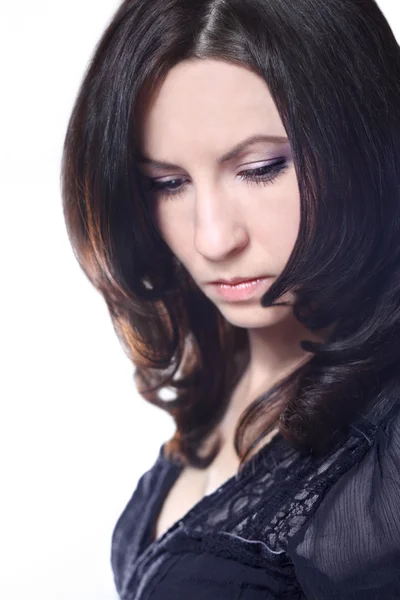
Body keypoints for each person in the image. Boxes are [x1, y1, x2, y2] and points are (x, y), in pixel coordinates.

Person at [61, 0, 400, 598]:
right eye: (167, 183)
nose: (212, 239)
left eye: (262, 168)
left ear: (366, 145)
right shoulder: (224, 382)